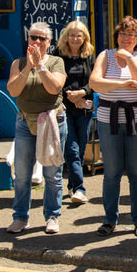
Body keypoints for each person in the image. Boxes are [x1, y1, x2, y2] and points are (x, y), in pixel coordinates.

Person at [89, 16, 137, 238]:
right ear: (117, 36)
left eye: (132, 34)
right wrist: (122, 84)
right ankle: (109, 220)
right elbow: (95, 83)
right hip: (109, 120)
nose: (126, 38)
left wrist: (129, 58)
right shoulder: (105, 55)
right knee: (112, 173)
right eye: (123, 34)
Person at [7, 21, 67, 235]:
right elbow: (13, 91)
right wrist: (28, 67)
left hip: (52, 122)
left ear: (49, 42)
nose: (38, 41)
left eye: (42, 38)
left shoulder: (56, 62)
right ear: (28, 40)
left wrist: (40, 66)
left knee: (52, 173)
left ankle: (52, 216)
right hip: (25, 122)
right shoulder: (19, 62)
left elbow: (54, 88)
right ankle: (21, 218)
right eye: (34, 37)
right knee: (22, 174)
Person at [50, 20, 95, 206]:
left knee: (81, 147)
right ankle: (79, 189)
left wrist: (82, 93)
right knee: (71, 148)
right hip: (65, 107)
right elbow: (55, 81)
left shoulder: (89, 55)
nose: (75, 38)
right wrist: (72, 97)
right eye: (71, 34)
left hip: (84, 107)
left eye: (79, 35)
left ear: (84, 37)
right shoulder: (58, 55)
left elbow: (94, 79)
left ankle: (72, 184)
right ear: (66, 37)